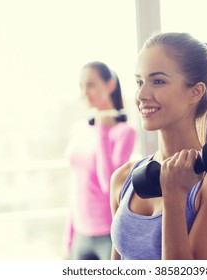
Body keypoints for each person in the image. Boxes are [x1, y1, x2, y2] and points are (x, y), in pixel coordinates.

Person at [110, 32, 207, 260]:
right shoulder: (124, 178)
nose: (141, 95)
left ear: (195, 92)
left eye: (158, 81)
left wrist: (174, 195)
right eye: (139, 82)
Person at [63, 61, 136, 260]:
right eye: (81, 86)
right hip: (80, 233)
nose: (85, 92)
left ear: (110, 85)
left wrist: (103, 131)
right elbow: (76, 186)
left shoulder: (125, 132)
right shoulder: (79, 129)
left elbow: (108, 184)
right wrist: (68, 240)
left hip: (108, 234)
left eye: (91, 84)